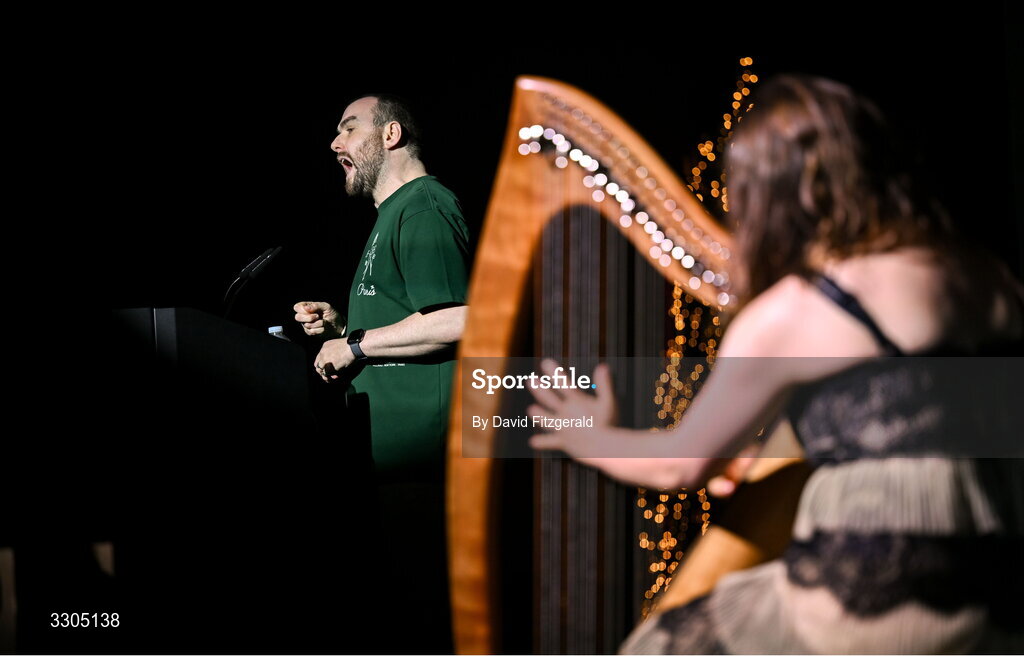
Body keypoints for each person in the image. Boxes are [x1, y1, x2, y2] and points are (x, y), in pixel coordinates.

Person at [528, 74, 1024, 653]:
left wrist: (594, 435)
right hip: (1000, 582)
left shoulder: (795, 312)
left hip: (878, 596)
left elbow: (679, 468)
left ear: (774, 197)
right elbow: (909, 409)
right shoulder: (985, 275)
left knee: (651, 647)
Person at [294, 93, 469, 653]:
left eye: (348, 129)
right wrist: (345, 326)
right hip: (396, 473)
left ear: (390, 135)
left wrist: (357, 345)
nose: (334, 143)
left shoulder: (422, 206)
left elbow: (461, 318)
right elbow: (410, 318)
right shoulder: (392, 216)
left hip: (429, 473)